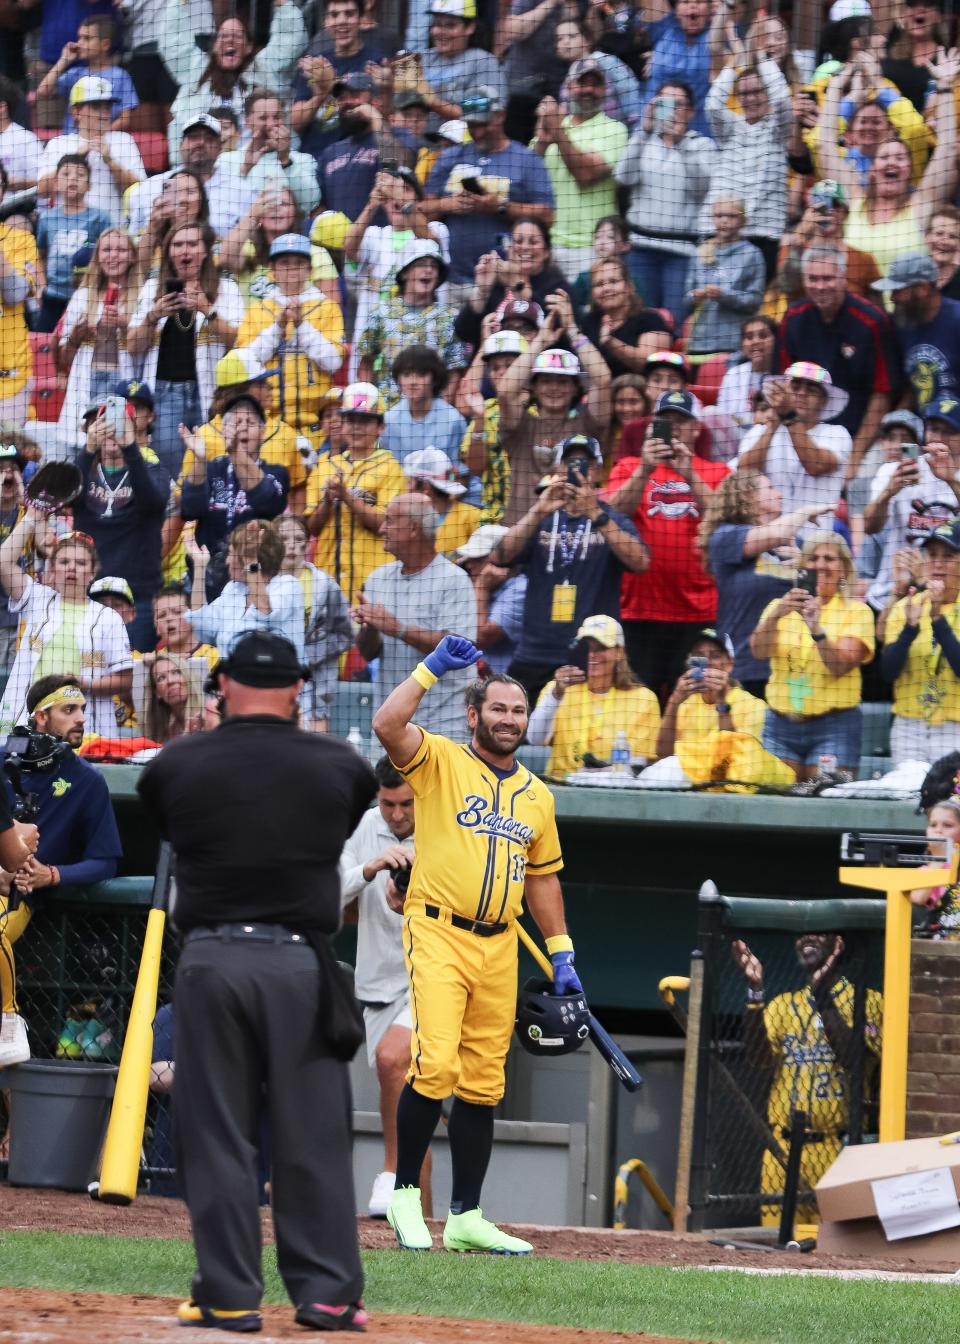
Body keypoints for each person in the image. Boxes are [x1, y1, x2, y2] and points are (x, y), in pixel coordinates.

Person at [137, 631, 376, 1333]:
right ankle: (328, 1293)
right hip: (301, 963)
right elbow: (351, 797)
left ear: (225, 687)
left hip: (213, 960)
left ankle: (231, 1294)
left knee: (215, 1134)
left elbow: (161, 803)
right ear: (298, 688)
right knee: (313, 1135)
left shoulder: (180, 762)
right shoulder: (340, 763)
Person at [371, 644, 580, 1256]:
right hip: (437, 929)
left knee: (485, 1083)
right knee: (434, 1065)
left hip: (499, 945)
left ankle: (466, 1215)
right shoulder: (438, 761)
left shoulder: (538, 795)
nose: (509, 718)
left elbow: (543, 878)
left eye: (518, 710)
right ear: (473, 714)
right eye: (498, 708)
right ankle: (406, 1194)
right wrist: (431, 666)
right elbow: (387, 725)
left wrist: (562, 952)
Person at [0, 674, 116, 1067]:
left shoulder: (88, 781)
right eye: (69, 710)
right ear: (41, 717)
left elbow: (106, 861)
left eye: (82, 709)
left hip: (20, 898)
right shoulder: (3, 761)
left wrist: (53, 874)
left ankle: (8, 1023)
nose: (80, 717)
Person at [731, 932, 882, 1226]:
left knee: (834, 1252)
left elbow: (853, 1058)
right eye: (801, 933)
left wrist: (822, 995)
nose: (806, 938)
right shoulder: (784, 1005)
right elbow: (759, 1059)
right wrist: (755, 991)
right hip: (782, 1150)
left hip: (838, 1149)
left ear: (837, 943)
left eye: (817, 932)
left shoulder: (868, 1000)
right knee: (777, 1247)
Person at [340, 756, 434, 1219]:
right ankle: (419, 1224)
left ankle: (393, 1172)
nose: (398, 814)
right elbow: (327, 893)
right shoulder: (363, 826)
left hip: (432, 978)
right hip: (376, 983)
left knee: (392, 1060)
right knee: (405, 1100)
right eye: (389, 804)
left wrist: (413, 895)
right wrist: (371, 868)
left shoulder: (443, 824)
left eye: (407, 804)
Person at [495, 433, 647, 706]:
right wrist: (537, 512)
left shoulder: (611, 517)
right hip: (535, 652)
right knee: (516, 731)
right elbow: (500, 555)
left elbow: (640, 562)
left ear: (597, 470)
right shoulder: (542, 514)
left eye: (584, 463)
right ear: (557, 469)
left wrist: (596, 514)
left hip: (590, 655)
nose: (576, 469)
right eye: (569, 463)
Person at [605, 389, 728, 699]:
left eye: (682, 421)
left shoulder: (717, 471)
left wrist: (688, 473)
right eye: (665, 420)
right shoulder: (628, 466)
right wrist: (646, 469)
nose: (674, 428)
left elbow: (726, 519)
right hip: (640, 609)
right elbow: (611, 514)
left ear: (697, 428)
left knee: (693, 704)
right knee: (636, 701)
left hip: (698, 611)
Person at [818, 53, 958, 277]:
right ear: (873, 170)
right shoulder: (856, 201)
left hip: (904, 310)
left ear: (909, 171)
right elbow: (824, 147)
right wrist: (835, 88)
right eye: (884, 157)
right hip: (859, 309)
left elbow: (948, 151)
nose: (891, 162)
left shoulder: (920, 207)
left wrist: (944, 88)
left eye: (900, 158)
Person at [750, 530, 874, 780]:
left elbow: (840, 666)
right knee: (779, 797)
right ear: (803, 565)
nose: (820, 565)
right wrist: (776, 615)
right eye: (813, 558)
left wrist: (816, 629)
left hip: (834, 726)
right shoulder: (779, 606)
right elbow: (758, 651)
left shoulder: (857, 611)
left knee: (828, 799)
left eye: (829, 559)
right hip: (780, 724)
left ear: (843, 569)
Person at [354, 493, 478, 741]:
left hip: (444, 724)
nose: (381, 528)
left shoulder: (454, 579)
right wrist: (370, 626)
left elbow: (457, 648)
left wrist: (397, 628)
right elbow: (368, 653)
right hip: (393, 722)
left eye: (389, 521)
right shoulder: (377, 578)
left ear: (412, 529)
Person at [127, 222, 243, 479]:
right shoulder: (150, 290)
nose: (184, 251)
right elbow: (133, 346)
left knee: (212, 466)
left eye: (192, 244)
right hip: (164, 395)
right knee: (169, 470)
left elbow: (239, 342)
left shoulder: (226, 290)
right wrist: (153, 315)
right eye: (177, 245)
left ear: (205, 251)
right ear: (169, 252)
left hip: (213, 393)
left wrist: (207, 309)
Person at [699, 471, 825, 699]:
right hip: (745, 663)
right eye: (769, 488)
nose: (779, 494)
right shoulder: (726, 536)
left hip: (792, 666)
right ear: (747, 496)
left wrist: (808, 566)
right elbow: (778, 532)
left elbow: (839, 584)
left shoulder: (797, 545)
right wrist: (804, 512)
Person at [0, 523, 133, 739]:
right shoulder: (36, 598)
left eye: (81, 563)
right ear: (51, 571)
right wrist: (32, 515)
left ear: (91, 573)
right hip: (27, 720)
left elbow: (125, 680)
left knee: (79, 771)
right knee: (19, 770)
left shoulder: (109, 618)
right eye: (64, 561)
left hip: (86, 725)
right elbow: (3, 562)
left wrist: (85, 684)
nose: (72, 568)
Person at [779, 245, 899, 480]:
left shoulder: (872, 322)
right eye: (813, 279)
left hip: (860, 435)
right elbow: (782, 383)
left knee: (861, 485)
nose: (820, 286)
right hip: (802, 429)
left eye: (828, 279)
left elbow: (882, 395)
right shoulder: (793, 317)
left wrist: (854, 458)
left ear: (843, 279)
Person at [423, 87, 555, 296]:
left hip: (504, 282)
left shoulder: (527, 160)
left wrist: (500, 206)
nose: (478, 131)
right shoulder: (450, 157)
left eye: (483, 123)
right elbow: (423, 210)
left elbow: (547, 216)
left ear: (500, 115)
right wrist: (446, 205)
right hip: (452, 280)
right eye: (472, 124)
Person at [497, 290, 612, 525]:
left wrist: (572, 328)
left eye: (562, 381)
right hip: (521, 531)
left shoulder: (587, 424)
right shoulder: (521, 425)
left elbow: (603, 379)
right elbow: (505, 390)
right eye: (546, 381)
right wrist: (540, 340)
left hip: (571, 530)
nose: (554, 388)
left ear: (574, 388)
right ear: (535, 388)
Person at [73, 395, 171, 652]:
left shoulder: (153, 470)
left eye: (119, 424)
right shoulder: (85, 472)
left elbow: (153, 501)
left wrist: (130, 448)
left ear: (133, 429)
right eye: (104, 424)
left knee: (133, 677)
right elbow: (69, 495)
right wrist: (88, 450)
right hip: (89, 595)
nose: (111, 431)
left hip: (137, 599)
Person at [159, 1, 308, 163]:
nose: (230, 41)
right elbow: (172, 41)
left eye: (237, 36)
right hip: (201, 169)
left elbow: (291, 39)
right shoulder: (196, 69)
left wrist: (282, 4)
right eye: (223, 36)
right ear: (215, 46)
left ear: (248, 47)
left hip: (260, 165)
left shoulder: (264, 68)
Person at [615, 79, 715, 321]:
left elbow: (702, 188)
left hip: (680, 253)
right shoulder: (643, 140)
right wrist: (643, 129)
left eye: (679, 105)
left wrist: (681, 144)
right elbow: (623, 177)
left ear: (691, 112)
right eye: (666, 103)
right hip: (640, 248)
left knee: (674, 323)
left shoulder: (702, 145)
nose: (673, 111)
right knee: (639, 321)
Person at [236, 232, 345, 447]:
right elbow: (246, 362)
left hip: (317, 427)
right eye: (284, 263)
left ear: (309, 270)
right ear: (272, 271)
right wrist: (277, 327)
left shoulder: (327, 307)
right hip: (270, 426)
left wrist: (301, 325)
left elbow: (333, 362)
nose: (291, 269)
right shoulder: (259, 310)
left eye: (298, 263)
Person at [305, 382, 406, 605]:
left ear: (380, 427)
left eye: (365, 421)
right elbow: (312, 527)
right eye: (350, 420)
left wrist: (346, 496)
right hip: (328, 576)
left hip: (373, 577)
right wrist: (328, 501)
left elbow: (384, 523)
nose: (356, 427)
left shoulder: (391, 468)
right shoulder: (324, 466)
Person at [344, 167, 449, 381]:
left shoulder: (436, 229)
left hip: (418, 348)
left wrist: (398, 196)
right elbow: (350, 248)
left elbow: (428, 240)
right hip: (372, 349)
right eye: (390, 192)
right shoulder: (374, 234)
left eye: (406, 189)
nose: (395, 197)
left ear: (418, 199)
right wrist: (372, 204)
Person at [179, 394, 288, 598]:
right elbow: (190, 509)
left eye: (251, 422)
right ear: (223, 430)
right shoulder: (210, 469)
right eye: (237, 422)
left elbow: (265, 501)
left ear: (263, 433)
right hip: (206, 582)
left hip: (257, 581)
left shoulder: (277, 472)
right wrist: (200, 459)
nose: (243, 427)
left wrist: (236, 452)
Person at [531, 61, 628, 283]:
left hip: (591, 247)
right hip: (549, 245)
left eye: (596, 85)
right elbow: (531, 174)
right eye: (581, 84)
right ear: (569, 87)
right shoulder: (553, 125)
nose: (588, 90)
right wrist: (543, 141)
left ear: (605, 90)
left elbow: (586, 175)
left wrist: (556, 130)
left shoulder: (615, 130)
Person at [527, 614, 660, 776]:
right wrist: (556, 694)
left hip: (615, 789)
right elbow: (535, 739)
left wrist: (601, 773)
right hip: (561, 785)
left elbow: (641, 761)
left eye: (601, 648)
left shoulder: (643, 699)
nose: (592, 654)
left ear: (619, 652)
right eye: (587, 647)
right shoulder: (558, 690)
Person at [862, 394, 960, 614]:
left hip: (951, 601)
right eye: (934, 429)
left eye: (949, 431)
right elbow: (869, 527)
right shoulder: (896, 469)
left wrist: (951, 479)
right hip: (892, 593)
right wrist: (889, 491)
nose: (939, 437)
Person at [700, 59, 792, 281]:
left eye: (757, 91)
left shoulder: (779, 129)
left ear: (767, 92)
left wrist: (763, 59)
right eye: (744, 93)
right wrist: (734, 65)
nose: (750, 98)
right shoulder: (729, 127)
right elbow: (712, 105)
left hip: (763, 234)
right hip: (720, 232)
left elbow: (782, 101)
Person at [55, 227, 141, 456]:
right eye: (107, 250)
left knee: (120, 452)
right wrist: (75, 337)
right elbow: (64, 359)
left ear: (132, 255)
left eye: (121, 249)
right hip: (84, 383)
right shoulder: (82, 296)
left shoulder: (144, 295)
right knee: (80, 453)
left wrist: (124, 324)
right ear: (98, 256)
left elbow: (147, 349)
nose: (113, 256)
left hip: (125, 384)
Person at [881, 519, 960, 766]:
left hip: (954, 727)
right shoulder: (906, 607)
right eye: (932, 554)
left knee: (951, 802)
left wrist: (937, 617)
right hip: (909, 725)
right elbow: (887, 672)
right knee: (907, 800)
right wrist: (909, 629)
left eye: (948, 556)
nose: (937, 563)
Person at [357, 237, 467, 407]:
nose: (429, 270)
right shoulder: (381, 313)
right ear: (404, 272)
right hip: (388, 410)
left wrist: (444, 408)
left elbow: (455, 370)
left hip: (433, 411)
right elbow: (366, 362)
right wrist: (371, 406)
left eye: (434, 266)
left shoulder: (450, 318)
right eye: (421, 264)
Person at [737, 362, 852, 519]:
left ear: (823, 401)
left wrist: (789, 416)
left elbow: (816, 465)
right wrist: (772, 427)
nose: (802, 393)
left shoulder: (837, 433)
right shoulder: (759, 431)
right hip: (767, 537)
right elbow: (744, 474)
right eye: (795, 387)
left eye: (811, 389)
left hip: (816, 539)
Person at [276, 514, 353, 734]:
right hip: (274, 679)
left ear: (308, 544)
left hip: (316, 684)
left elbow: (344, 634)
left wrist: (309, 656)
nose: (292, 545)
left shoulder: (325, 585)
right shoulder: (263, 584)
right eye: (284, 539)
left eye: (299, 539)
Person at [186, 519, 305, 660]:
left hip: (275, 678)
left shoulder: (288, 585)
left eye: (231, 553)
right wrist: (200, 567)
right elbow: (202, 627)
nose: (227, 561)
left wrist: (250, 561)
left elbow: (265, 613)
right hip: (234, 678)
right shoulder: (234, 589)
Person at [37, 76, 146, 224]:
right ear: (76, 112)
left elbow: (141, 192)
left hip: (112, 235)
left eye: (107, 107)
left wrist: (111, 161)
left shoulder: (124, 140)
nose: (104, 113)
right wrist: (75, 158)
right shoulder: (58, 144)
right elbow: (43, 191)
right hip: (68, 231)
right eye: (96, 106)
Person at [655, 627, 766, 759]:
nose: (706, 663)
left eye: (715, 656)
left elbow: (732, 759)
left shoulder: (754, 707)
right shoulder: (684, 706)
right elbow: (663, 755)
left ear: (729, 664)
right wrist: (674, 701)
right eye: (699, 656)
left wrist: (721, 703)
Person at [873, 251, 960, 412]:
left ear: (923, 288)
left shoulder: (956, 320)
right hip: (923, 427)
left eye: (897, 290)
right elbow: (912, 387)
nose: (892, 298)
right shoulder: (903, 324)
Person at [34, 154, 111, 334]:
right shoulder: (47, 218)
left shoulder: (100, 218)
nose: (73, 178)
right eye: (66, 174)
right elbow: (40, 255)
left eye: (81, 174)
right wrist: (42, 286)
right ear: (56, 184)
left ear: (89, 185)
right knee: (43, 345)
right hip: (53, 297)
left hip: (87, 297)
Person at [217, 88, 320, 217]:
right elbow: (220, 204)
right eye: (263, 118)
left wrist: (285, 161)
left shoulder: (302, 160)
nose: (271, 124)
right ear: (248, 121)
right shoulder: (226, 160)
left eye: (277, 117)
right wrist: (245, 169)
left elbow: (310, 202)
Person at [685, 198, 766, 357]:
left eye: (731, 216)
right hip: (700, 342)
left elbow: (755, 301)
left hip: (733, 343)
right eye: (719, 215)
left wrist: (724, 295)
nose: (724, 220)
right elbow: (686, 298)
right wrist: (695, 297)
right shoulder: (699, 252)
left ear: (743, 220)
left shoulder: (752, 254)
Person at [580, 256, 672, 377]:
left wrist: (610, 342)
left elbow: (649, 365)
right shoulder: (589, 321)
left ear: (629, 286)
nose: (606, 288)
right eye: (599, 284)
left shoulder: (650, 319)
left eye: (613, 281)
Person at [382, 346, 467, 474]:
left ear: (434, 379)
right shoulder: (388, 420)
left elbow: (458, 473)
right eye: (406, 375)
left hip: (445, 490)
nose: (413, 382)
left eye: (421, 375)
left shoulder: (453, 419)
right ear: (398, 380)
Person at [455, 524, 526, 673]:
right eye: (469, 558)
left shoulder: (520, 589)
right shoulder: (475, 584)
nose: (469, 564)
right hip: (478, 682)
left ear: (505, 558)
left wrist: (482, 586)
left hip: (507, 684)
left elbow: (478, 638)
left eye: (478, 559)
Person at [912, 753, 960, 938]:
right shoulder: (927, 871)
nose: (939, 831)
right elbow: (917, 898)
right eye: (933, 825)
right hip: (938, 948)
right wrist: (939, 861)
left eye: (947, 826)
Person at [403, 447, 478, 557]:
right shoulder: (408, 520)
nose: (407, 488)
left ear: (426, 487)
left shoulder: (470, 516)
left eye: (410, 482)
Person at [716, 316, 778, 437]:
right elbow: (722, 416)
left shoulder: (785, 374)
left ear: (776, 340)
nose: (755, 341)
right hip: (736, 439)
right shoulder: (733, 374)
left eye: (763, 336)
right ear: (742, 345)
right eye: (749, 337)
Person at [138, 653, 205, 743]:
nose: (170, 681)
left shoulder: (207, 719)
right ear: (157, 693)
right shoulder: (160, 732)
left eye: (176, 672)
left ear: (188, 677)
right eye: (161, 678)